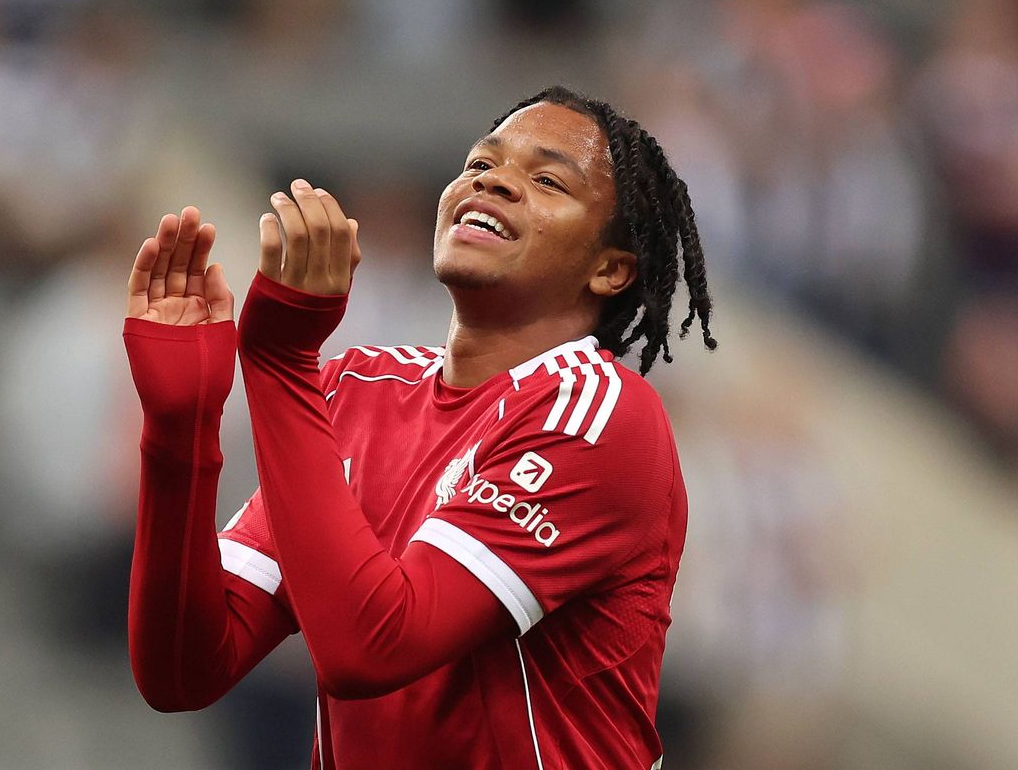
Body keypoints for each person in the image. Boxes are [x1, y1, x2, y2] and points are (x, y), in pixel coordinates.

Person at [122, 86, 717, 769]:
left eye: (547, 179)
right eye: (478, 165)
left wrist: (282, 363)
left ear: (611, 269)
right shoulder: (357, 390)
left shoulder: (599, 415)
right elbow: (182, 669)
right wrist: (179, 432)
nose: (494, 180)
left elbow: (374, 647)